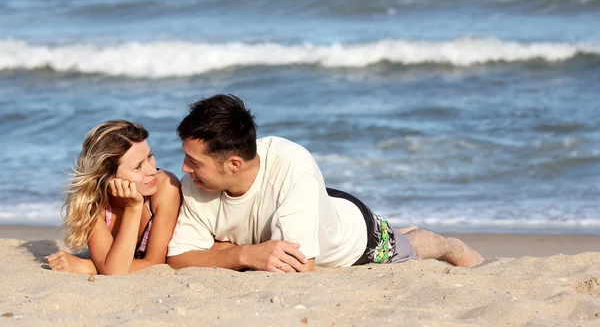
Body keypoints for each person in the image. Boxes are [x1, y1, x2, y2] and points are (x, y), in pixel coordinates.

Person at [167, 94, 484, 273]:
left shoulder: (293, 166)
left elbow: (300, 270)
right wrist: (244, 255)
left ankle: (449, 244)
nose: (184, 169)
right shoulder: (196, 183)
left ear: (233, 164)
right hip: (306, 209)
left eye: (194, 162)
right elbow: (179, 259)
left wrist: (220, 251)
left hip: (354, 238)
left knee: (409, 246)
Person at [46, 120, 181, 275]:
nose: (151, 170)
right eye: (138, 167)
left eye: (150, 156)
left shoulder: (165, 187)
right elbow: (113, 269)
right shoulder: (93, 202)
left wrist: (89, 267)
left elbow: (155, 262)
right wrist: (133, 208)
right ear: (108, 176)